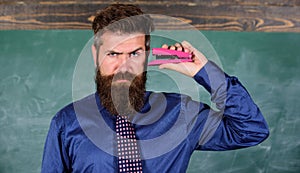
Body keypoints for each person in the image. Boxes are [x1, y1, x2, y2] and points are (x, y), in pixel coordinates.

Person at [41, 4, 269, 173]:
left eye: (134, 54)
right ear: (96, 54)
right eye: (113, 54)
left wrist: (205, 72)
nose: (124, 66)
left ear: (147, 54)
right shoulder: (67, 123)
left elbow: (251, 130)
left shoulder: (182, 114)